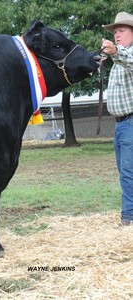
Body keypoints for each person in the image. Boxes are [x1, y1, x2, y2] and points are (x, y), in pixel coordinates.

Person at [101, 12, 133, 226]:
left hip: (131, 122)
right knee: (125, 172)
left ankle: (128, 218)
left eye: (121, 31)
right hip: (122, 123)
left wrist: (116, 53)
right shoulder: (118, 58)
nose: (116, 35)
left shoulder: (127, 56)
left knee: (128, 172)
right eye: (115, 32)